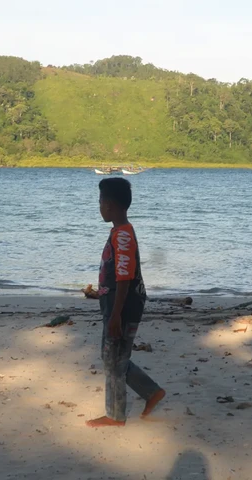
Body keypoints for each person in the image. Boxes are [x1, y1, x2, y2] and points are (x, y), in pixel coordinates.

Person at [84, 177, 165, 428]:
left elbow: (124, 277)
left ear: (109, 205)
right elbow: (117, 275)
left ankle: (116, 415)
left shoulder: (123, 236)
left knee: (113, 359)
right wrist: (101, 293)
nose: (99, 206)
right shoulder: (119, 232)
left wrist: (116, 314)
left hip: (123, 308)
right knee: (114, 358)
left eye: (100, 201)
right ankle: (151, 392)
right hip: (117, 304)